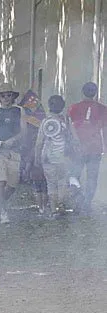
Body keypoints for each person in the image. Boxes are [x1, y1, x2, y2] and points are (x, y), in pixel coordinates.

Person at [0, 83, 26, 224]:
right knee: (0, 181)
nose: (6, 98)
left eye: (9, 95)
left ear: (13, 97)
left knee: (12, 185)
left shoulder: (19, 111)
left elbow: (24, 131)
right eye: (3, 96)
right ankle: (3, 213)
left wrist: (14, 140)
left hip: (14, 152)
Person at [36, 95, 78, 218]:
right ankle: (61, 205)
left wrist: (36, 159)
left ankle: (54, 209)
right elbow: (74, 138)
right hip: (63, 157)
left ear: (49, 106)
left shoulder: (45, 122)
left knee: (51, 184)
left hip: (48, 158)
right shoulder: (66, 120)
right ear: (63, 106)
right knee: (62, 182)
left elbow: (39, 143)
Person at [69, 81, 106, 214]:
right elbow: (105, 131)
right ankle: (87, 203)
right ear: (95, 93)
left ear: (82, 92)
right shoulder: (103, 109)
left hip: (78, 148)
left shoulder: (74, 108)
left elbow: (71, 127)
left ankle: (79, 199)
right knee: (92, 178)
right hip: (95, 148)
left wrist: (72, 143)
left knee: (73, 176)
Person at [19, 90, 48, 214]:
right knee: (41, 180)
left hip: (35, 146)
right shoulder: (41, 114)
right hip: (37, 146)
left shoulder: (26, 114)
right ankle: (43, 206)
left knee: (37, 176)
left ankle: (40, 205)